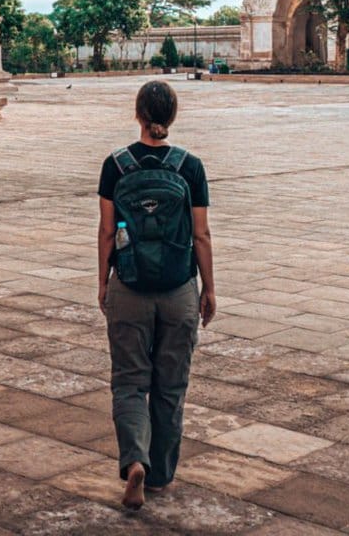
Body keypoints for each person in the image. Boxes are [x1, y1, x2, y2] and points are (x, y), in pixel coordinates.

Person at [97, 80, 216, 510]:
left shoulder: (116, 165)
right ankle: (161, 474)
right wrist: (209, 289)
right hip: (178, 290)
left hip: (129, 288)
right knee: (170, 386)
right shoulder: (190, 167)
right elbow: (200, 235)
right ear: (173, 116)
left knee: (129, 382)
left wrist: (102, 282)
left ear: (138, 114)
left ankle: (134, 464)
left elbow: (108, 231)